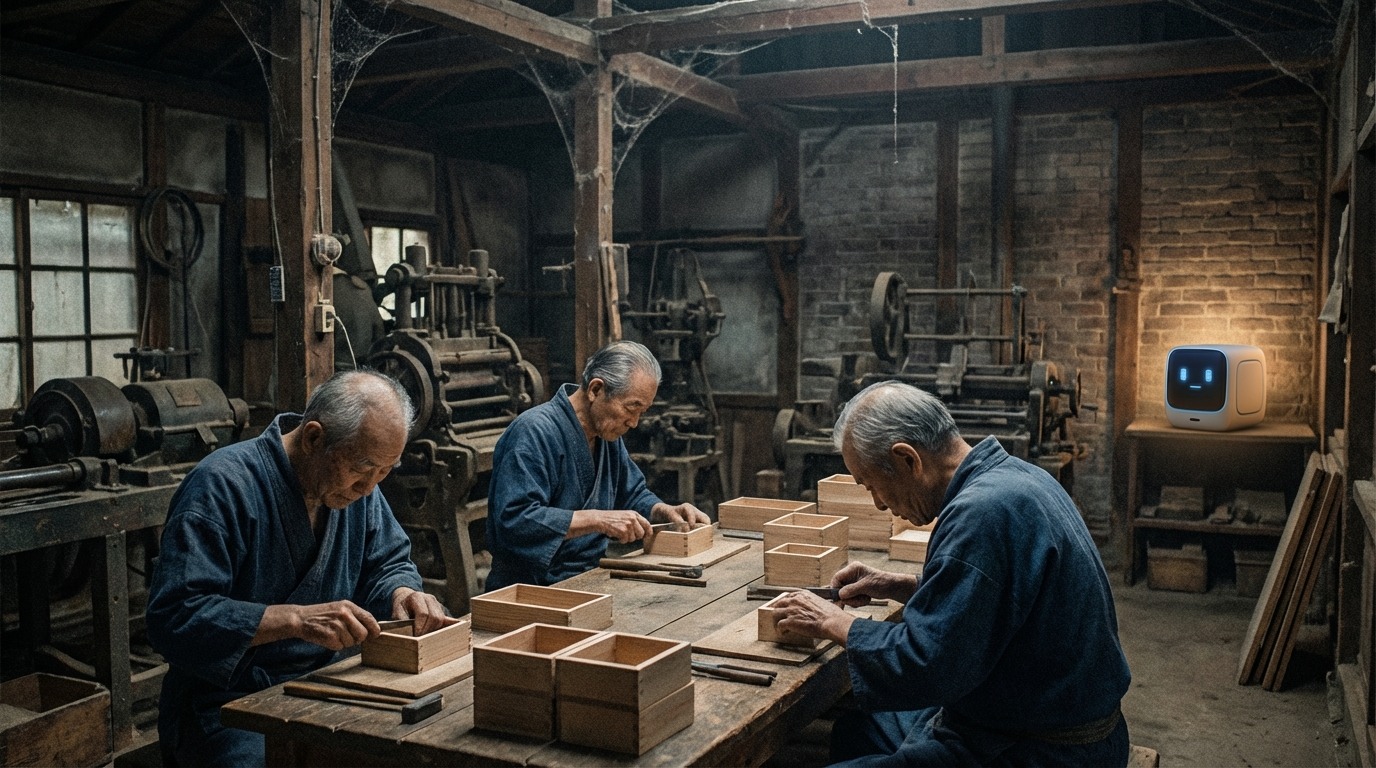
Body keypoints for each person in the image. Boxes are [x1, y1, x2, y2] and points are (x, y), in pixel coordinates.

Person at [771, 381, 1131, 766]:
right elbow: (1002, 597)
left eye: (872, 485)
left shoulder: (981, 514)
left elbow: (926, 666)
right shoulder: (1012, 476)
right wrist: (907, 586)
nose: (877, 504)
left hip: (1042, 750)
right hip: (1031, 718)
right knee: (859, 728)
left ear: (908, 460)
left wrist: (832, 621)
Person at [146, 369, 447, 767]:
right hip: (232, 700)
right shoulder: (221, 486)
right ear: (313, 438)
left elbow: (388, 562)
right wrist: (292, 620)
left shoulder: (358, 491)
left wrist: (403, 593)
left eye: (385, 472)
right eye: (362, 469)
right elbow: (173, 617)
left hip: (331, 680)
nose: (370, 488)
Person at [486, 339, 711, 590]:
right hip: (526, 588)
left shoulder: (606, 436)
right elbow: (515, 520)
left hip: (587, 579)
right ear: (595, 390)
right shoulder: (533, 432)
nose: (634, 423)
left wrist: (663, 510)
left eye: (642, 412)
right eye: (631, 408)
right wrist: (597, 519)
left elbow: (631, 493)